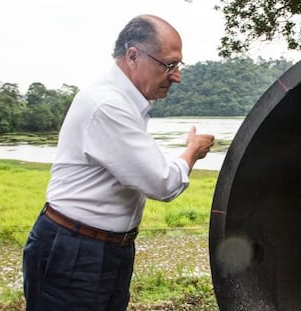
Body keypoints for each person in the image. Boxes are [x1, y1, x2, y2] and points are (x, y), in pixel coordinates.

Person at [22, 14, 215, 311]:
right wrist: (191, 152)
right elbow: (162, 182)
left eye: (178, 65)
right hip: (76, 250)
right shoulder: (107, 104)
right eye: (169, 65)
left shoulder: (128, 102)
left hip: (102, 248)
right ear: (133, 55)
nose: (177, 76)